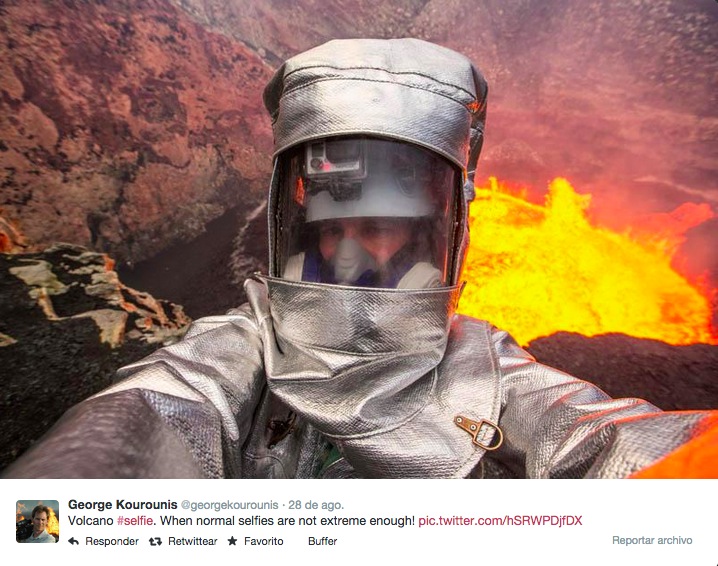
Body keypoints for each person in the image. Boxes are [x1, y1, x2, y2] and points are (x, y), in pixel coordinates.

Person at [4, 38, 716, 479]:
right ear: (303, 227)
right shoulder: (241, 348)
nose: (359, 251)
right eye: (341, 228)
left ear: (430, 236)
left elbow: (604, 440)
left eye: (389, 230)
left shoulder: (486, 368)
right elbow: (156, 413)